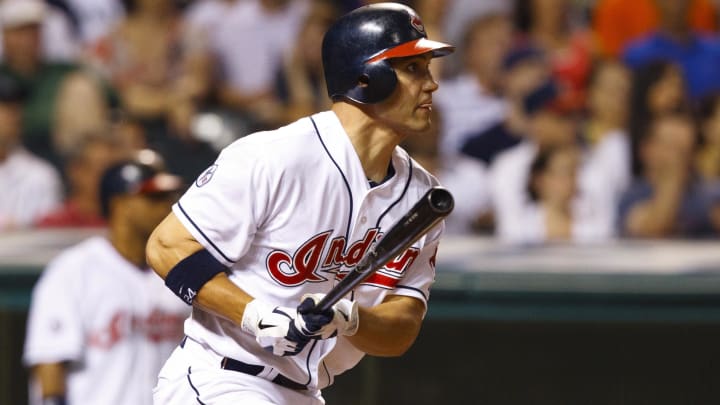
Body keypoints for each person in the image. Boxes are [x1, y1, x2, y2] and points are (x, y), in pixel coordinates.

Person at [147, 3, 453, 404]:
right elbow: (167, 247)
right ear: (367, 76)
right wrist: (255, 314)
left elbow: (401, 328)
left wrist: (352, 317)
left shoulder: (419, 199)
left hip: (304, 392)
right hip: (220, 377)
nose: (431, 84)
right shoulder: (276, 156)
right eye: (413, 68)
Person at [23, 150, 190, 405]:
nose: (167, 205)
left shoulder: (182, 271)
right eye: (153, 197)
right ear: (119, 205)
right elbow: (50, 361)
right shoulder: (74, 270)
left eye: (168, 196)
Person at [618, 113, 720, 238]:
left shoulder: (708, 190)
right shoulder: (633, 194)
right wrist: (673, 178)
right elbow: (653, 228)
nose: (680, 157)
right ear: (646, 149)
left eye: (686, 148)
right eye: (671, 146)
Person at [0, 73, 62, 230]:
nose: (11, 116)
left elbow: (47, 242)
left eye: (14, 109)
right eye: (5, 108)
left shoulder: (41, 176)